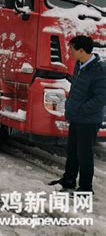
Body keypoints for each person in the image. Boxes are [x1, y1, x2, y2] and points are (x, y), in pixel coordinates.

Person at [49, 35, 106, 193]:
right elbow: (76, 89)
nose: (70, 52)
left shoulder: (99, 69)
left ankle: (86, 188)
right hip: (76, 116)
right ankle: (69, 180)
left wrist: (81, 109)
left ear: (81, 50)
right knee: (72, 150)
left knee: (84, 154)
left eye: (72, 49)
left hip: (88, 120)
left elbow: (101, 98)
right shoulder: (79, 64)